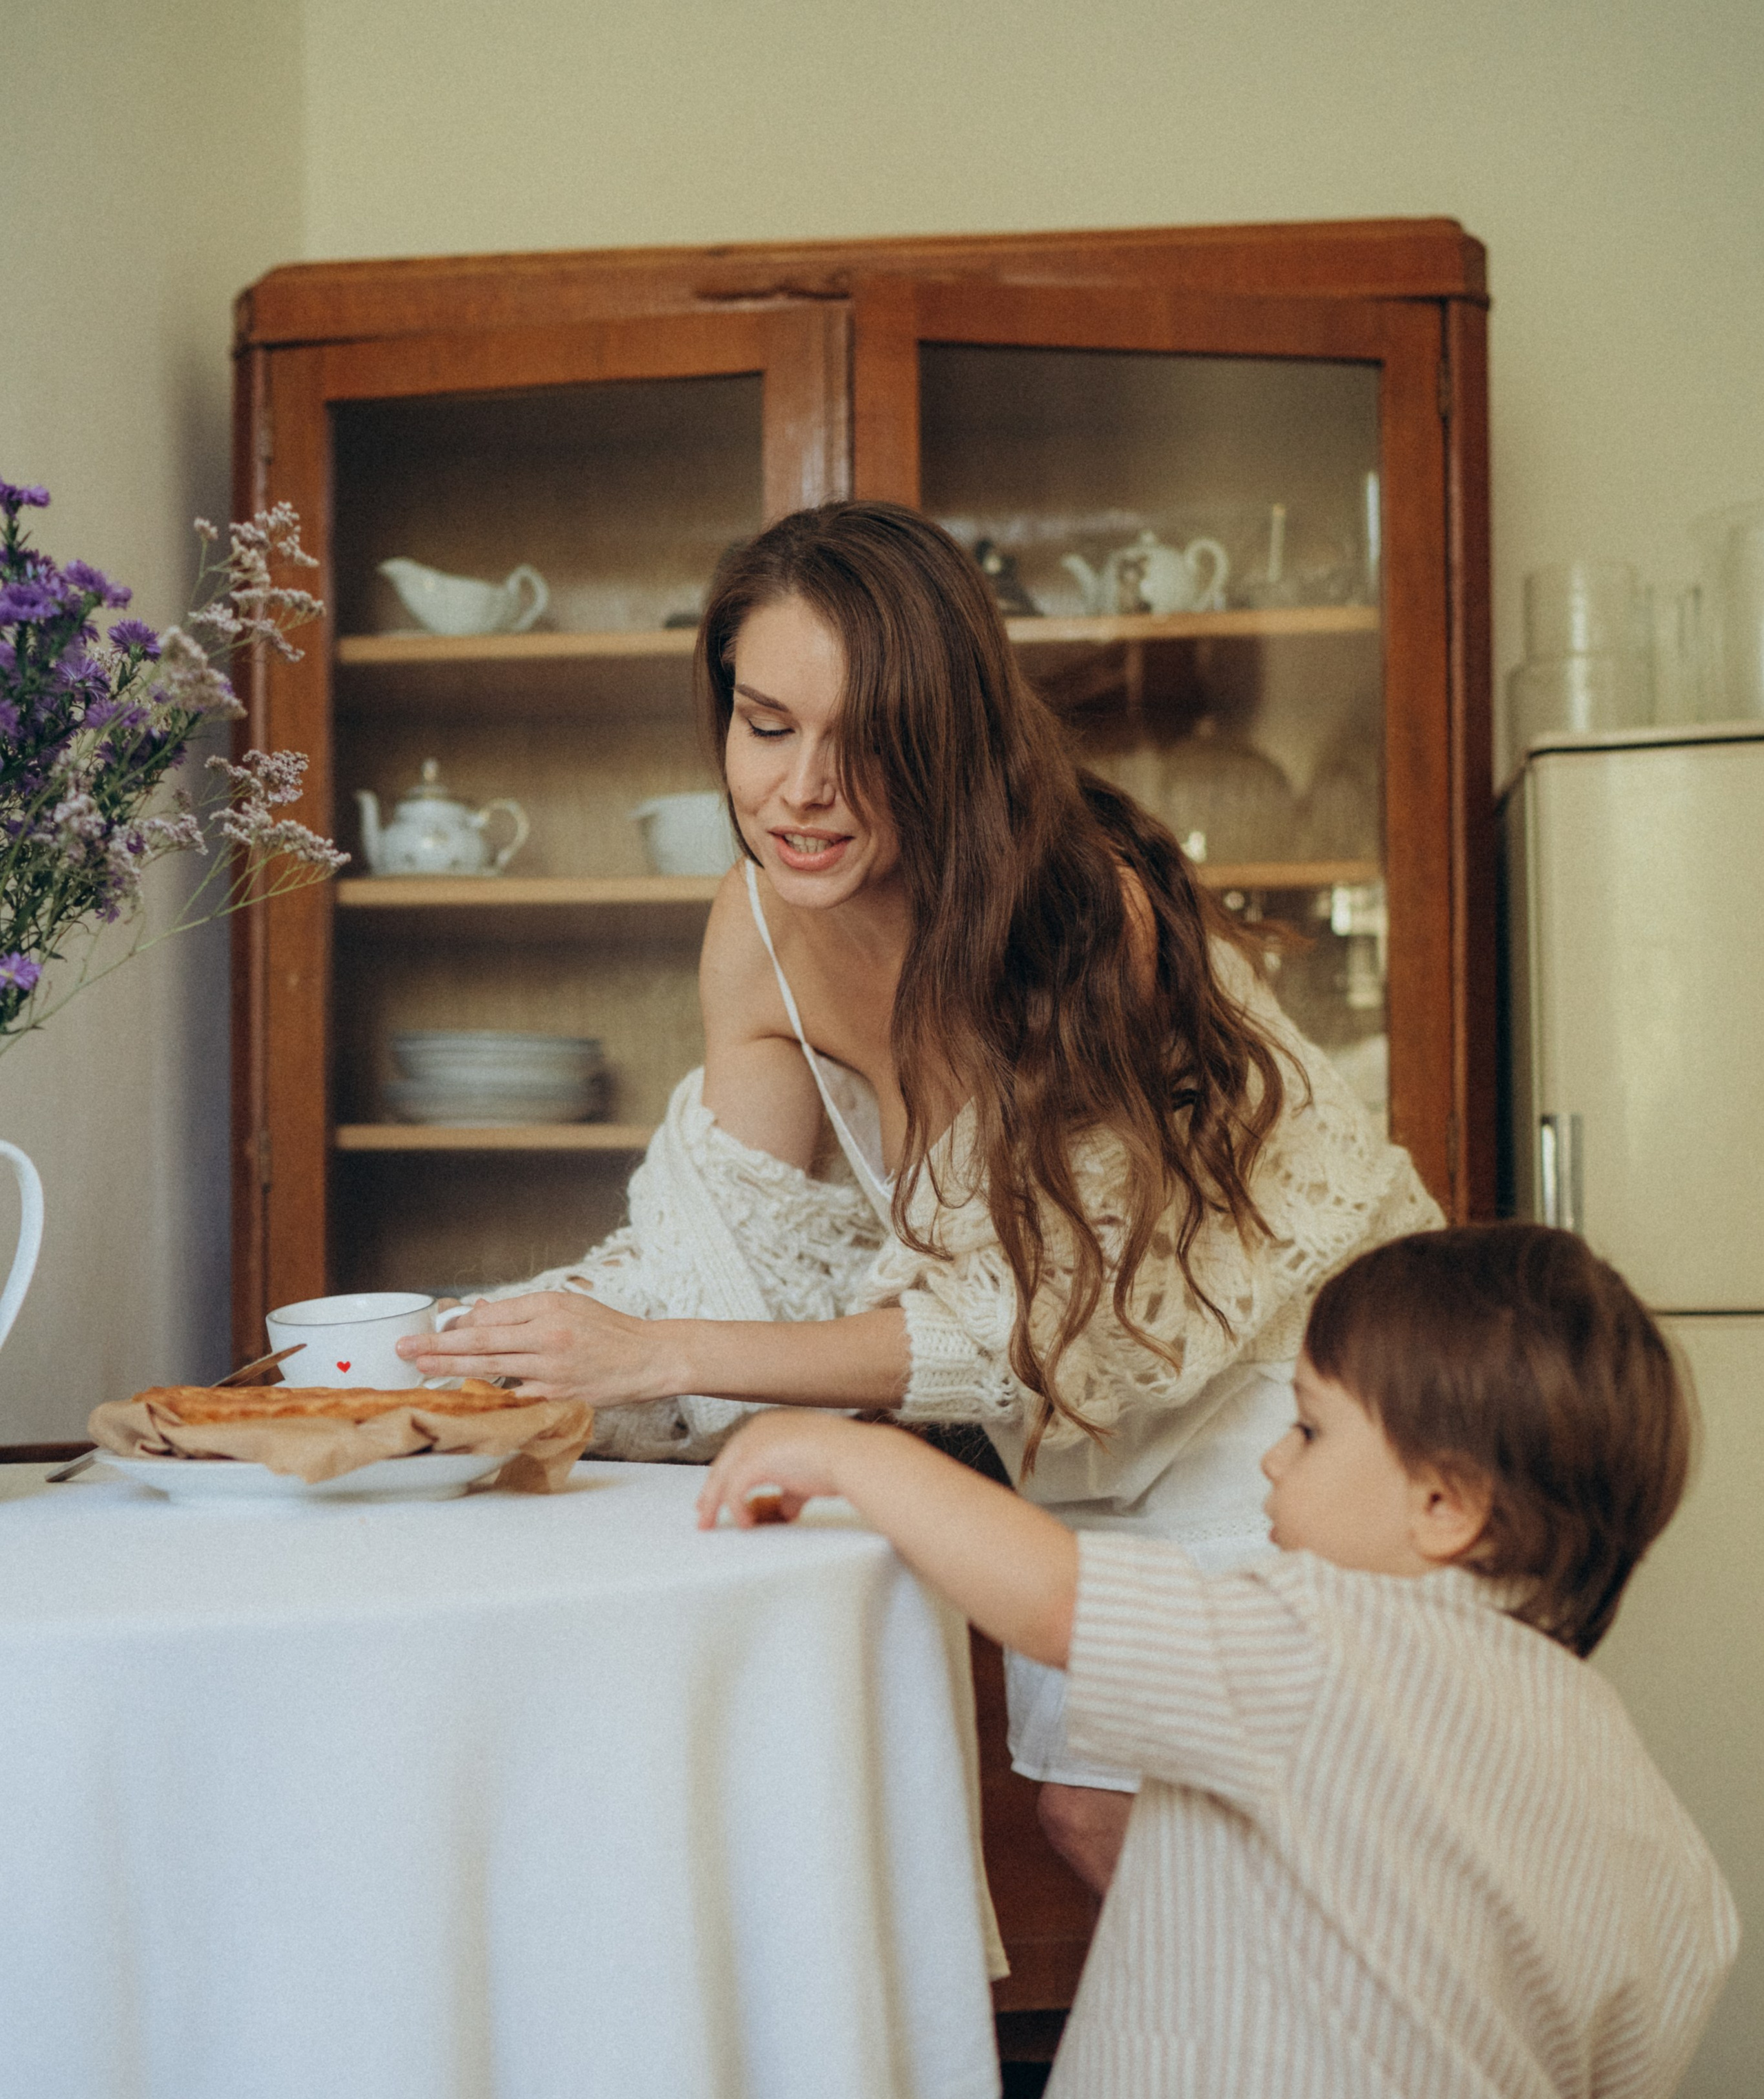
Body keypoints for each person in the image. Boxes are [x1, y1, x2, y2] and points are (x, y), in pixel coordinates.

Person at [696, 1225, 1738, 2099]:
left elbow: (1061, 1600)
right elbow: (1630, 2056)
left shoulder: (1331, 1645)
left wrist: (855, 1453)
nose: (1267, 1461)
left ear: (1442, 1506)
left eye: (1305, 1431)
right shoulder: (1607, 1764)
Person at [399, 500, 1437, 1903]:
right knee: (1087, 1814)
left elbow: (1027, 1326)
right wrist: (493, 1353)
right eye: (766, 726)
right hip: (1080, 1431)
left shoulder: (1085, 921)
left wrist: (659, 1354)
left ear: (951, 741)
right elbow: (739, 1244)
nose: (801, 792)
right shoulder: (756, 925)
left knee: (1265, 1816)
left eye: (867, 741)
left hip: (1291, 1375)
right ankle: (1228, 2097)